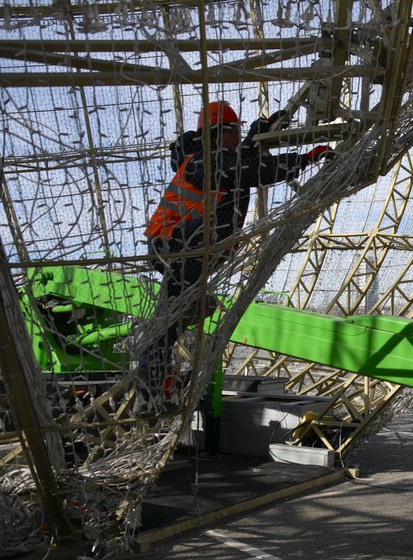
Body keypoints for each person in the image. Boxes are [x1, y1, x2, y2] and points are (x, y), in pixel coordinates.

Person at [137, 101, 333, 413]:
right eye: (234, 130)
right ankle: (148, 397)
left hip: (188, 248)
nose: (236, 135)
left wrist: (257, 133)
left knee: (173, 319)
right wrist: (305, 158)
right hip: (178, 245)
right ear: (218, 133)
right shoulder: (204, 162)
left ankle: (154, 390)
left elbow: (239, 161)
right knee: (167, 323)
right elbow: (249, 170)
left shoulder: (212, 159)